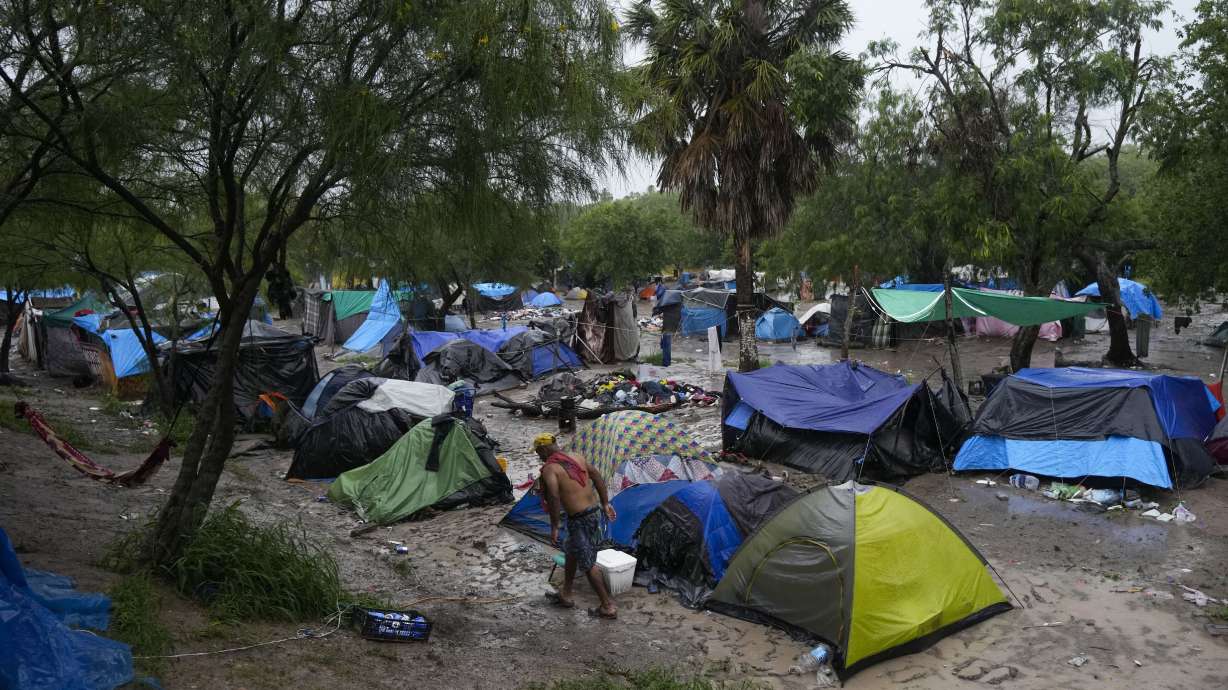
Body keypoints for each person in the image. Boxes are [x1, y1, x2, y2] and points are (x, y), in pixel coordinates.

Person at [534, 433, 618, 619]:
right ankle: (566, 594)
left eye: (538, 452)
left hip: (580, 519)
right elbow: (596, 475)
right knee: (571, 550)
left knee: (587, 562)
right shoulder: (577, 457)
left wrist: (554, 525)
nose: (538, 456)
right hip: (593, 512)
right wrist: (605, 503)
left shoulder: (550, 469)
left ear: (544, 449)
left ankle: (607, 606)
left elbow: (554, 496)